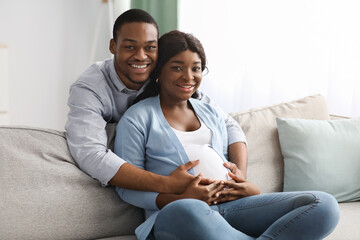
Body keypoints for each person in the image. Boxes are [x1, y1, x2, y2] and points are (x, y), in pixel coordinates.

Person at [114, 30, 340, 240]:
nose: (189, 76)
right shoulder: (137, 118)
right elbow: (127, 189)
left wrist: (248, 187)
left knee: (323, 204)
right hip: (178, 214)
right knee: (188, 209)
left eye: (196, 68)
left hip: (233, 208)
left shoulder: (210, 111)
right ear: (159, 71)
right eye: (177, 67)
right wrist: (182, 198)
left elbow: (234, 136)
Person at [65, 9, 248, 193]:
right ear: (113, 46)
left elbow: (228, 124)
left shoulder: (169, 76)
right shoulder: (90, 88)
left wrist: (239, 175)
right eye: (130, 47)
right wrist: (167, 184)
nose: (141, 56)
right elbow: (91, 154)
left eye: (150, 47)